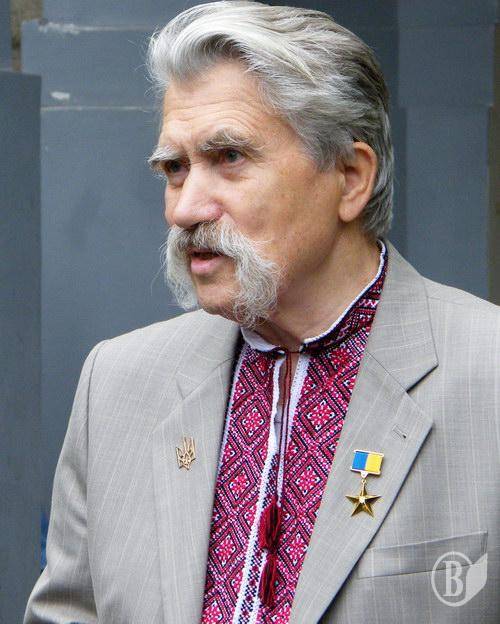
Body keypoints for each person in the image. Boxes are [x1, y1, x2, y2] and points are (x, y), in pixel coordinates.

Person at [24, 2, 499, 622]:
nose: (184, 209)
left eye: (229, 157)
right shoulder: (117, 386)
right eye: (174, 169)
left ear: (351, 177)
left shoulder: (487, 375)